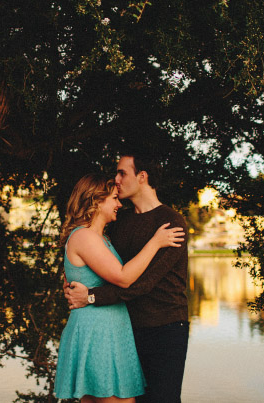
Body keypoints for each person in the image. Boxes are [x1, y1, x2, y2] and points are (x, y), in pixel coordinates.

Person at [65, 153, 190, 403]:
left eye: (122, 173)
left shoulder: (171, 222)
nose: (117, 178)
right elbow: (103, 269)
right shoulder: (120, 222)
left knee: (162, 399)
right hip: (125, 328)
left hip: (164, 327)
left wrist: (90, 296)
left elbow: (142, 283)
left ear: (142, 177)